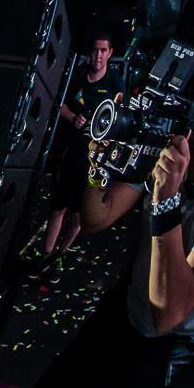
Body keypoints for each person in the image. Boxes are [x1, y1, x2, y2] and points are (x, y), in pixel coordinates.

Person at [37, 30, 194, 388]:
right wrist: (100, 167)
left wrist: (166, 199)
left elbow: (170, 314)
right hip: (137, 294)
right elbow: (97, 218)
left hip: (178, 334)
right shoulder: (174, 137)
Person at [36, 30, 125, 259]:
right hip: (71, 151)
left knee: (78, 216)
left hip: (94, 158)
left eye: (103, 50)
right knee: (58, 207)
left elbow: (120, 116)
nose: (98, 55)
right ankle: (46, 255)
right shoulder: (77, 75)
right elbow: (61, 106)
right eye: (95, 50)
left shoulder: (115, 82)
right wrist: (74, 118)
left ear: (110, 53)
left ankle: (60, 255)